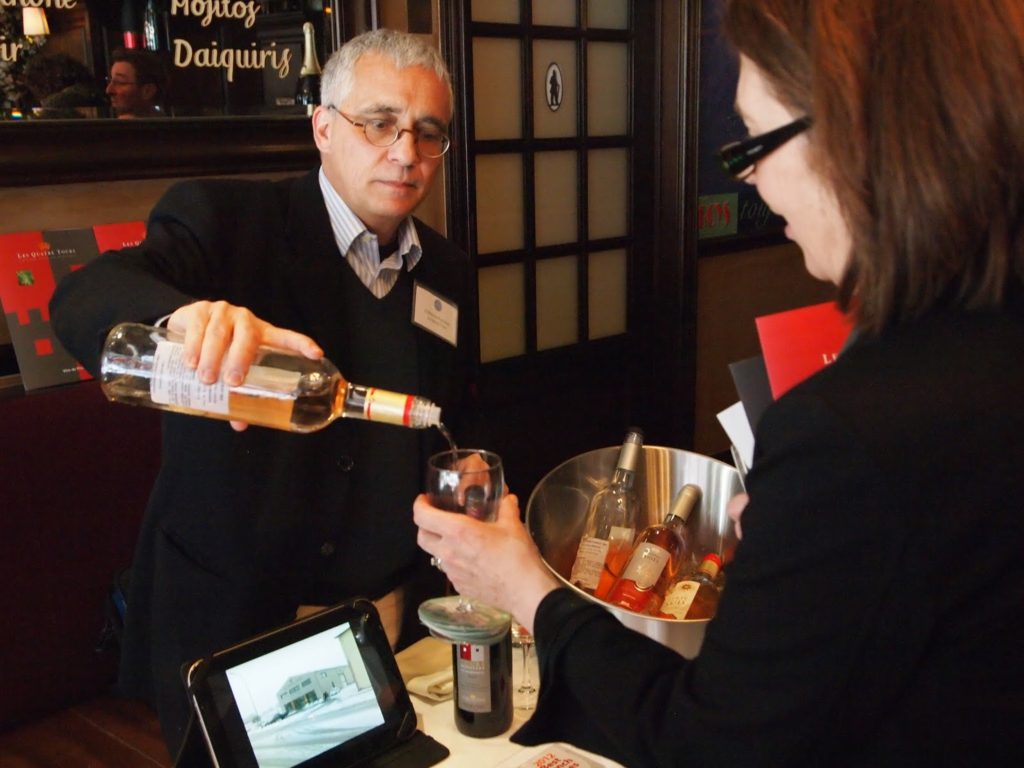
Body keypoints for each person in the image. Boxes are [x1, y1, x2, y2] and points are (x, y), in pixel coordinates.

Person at [413, 1, 1024, 765]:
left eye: (758, 142)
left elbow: (710, 745)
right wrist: (813, 540)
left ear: (866, 132)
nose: (753, 180)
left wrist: (528, 590)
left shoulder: (854, 428)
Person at [50, 29, 477, 765]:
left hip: (382, 615)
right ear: (323, 127)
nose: (404, 152)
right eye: (378, 123)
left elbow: (446, 411)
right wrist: (181, 319)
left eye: (427, 132)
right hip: (240, 622)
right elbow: (83, 294)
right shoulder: (228, 224)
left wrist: (458, 471)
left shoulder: (443, 268)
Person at [105, 47, 167, 118]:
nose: (108, 90)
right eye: (110, 81)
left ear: (147, 91)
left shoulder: (170, 128)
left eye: (120, 82)